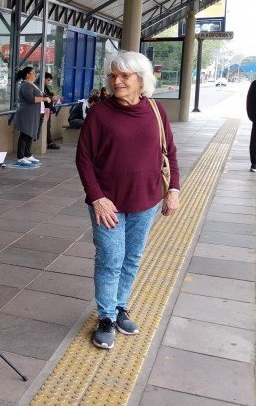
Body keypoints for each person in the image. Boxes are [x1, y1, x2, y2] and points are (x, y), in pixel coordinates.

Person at [75, 51, 180, 350]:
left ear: (141, 80)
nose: (116, 81)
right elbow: (84, 159)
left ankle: (120, 306)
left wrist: (173, 189)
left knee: (132, 258)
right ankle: (106, 317)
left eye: (124, 75)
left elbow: (169, 152)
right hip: (108, 204)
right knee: (110, 260)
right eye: (112, 75)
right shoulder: (100, 113)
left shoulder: (157, 111)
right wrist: (97, 198)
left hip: (145, 201)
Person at [13, 66, 51, 165]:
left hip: (32, 114)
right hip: (26, 114)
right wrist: (43, 99)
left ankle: (27, 154)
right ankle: (20, 157)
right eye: (33, 73)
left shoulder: (32, 85)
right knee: (25, 134)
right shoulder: (25, 85)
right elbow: (31, 99)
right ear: (27, 75)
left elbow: (40, 95)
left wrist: (49, 98)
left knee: (30, 134)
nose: (35, 74)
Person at [43, 72, 60, 149]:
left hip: (47, 109)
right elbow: (44, 96)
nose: (49, 82)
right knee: (46, 126)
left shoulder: (45, 87)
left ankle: (49, 141)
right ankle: (49, 142)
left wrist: (52, 95)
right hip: (43, 110)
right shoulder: (39, 86)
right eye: (48, 80)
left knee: (48, 126)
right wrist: (51, 97)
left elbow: (48, 96)